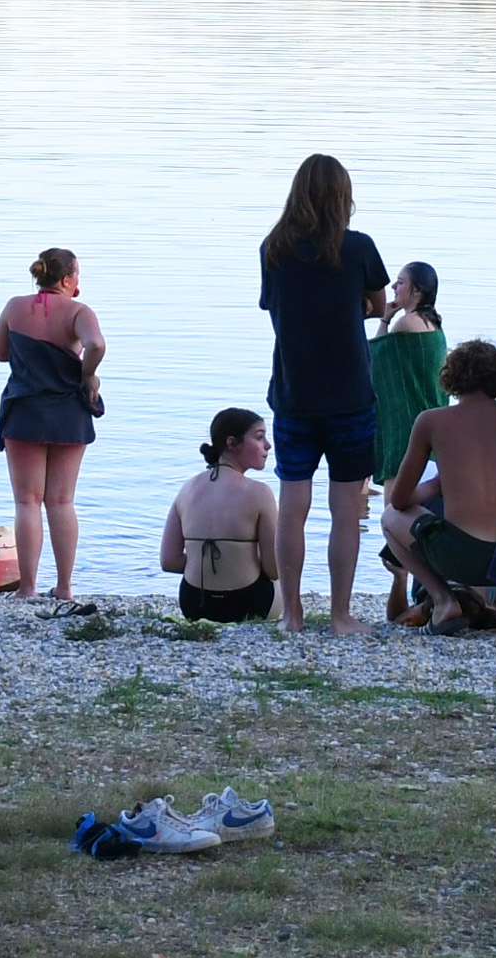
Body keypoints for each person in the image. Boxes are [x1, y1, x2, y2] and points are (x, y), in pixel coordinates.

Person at [254, 154, 390, 631]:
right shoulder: (358, 248)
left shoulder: (273, 248)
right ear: (343, 198)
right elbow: (377, 305)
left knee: (293, 502)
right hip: (351, 394)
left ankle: (291, 615)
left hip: (293, 392)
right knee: (345, 508)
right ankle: (339, 615)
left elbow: (274, 308)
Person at [380, 339, 496, 635]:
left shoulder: (432, 421)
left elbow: (400, 499)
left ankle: (444, 601)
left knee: (390, 518)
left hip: (462, 559)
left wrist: (435, 485)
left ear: (451, 377)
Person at [0, 247, 106, 603]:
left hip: (24, 410)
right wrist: (87, 373)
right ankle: (64, 588)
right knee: (61, 502)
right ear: (67, 280)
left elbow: (0, 352)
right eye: (78, 276)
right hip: (68, 414)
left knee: (27, 502)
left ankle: (26, 589)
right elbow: (96, 344)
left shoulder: (14, 306)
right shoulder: (78, 312)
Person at [368, 263, 447, 625]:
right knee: (423, 521)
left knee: (395, 522)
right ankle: (426, 595)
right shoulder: (435, 327)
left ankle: (424, 596)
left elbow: (373, 362)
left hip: (405, 433)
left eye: (400, 283)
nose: (394, 288)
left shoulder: (405, 325)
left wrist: (384, 319)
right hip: (433, 437)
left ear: (416, 292)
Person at [162, 407, 278, 624]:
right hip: (250, 604)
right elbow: (273, 569)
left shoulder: (187, 489)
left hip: (194, 603)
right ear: (232, 443)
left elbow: (169, 561)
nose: (268, 446)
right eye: (259, 437)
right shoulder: (260, 492)